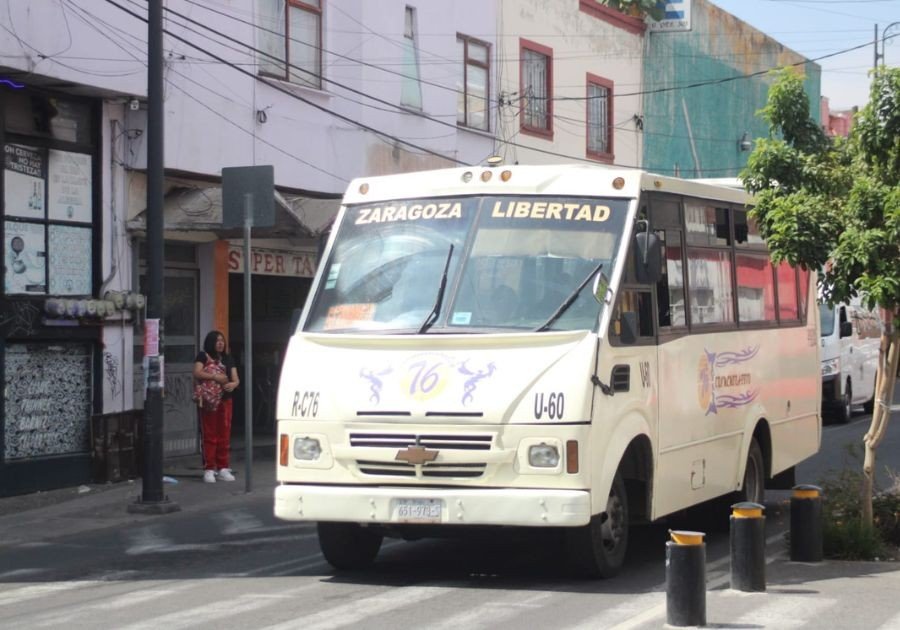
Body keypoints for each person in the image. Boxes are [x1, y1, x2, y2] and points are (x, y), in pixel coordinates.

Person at [194, 330, 239, 483]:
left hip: (226, 400)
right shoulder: (203, 356)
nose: (220, 343)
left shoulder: (228, 358)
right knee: (209, 434)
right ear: (211, 342)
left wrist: (233, 384)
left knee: (224, 435)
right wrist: (215, 377)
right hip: (209, 401)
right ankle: (209, 468)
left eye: (222, 340)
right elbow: (197, 373)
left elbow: (235, 379)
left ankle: (223, 467)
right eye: (217, 340)